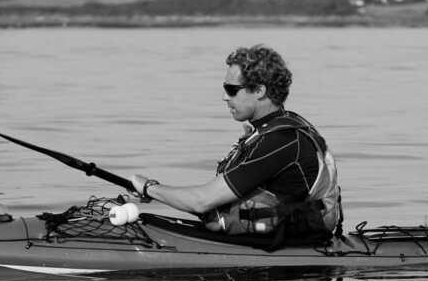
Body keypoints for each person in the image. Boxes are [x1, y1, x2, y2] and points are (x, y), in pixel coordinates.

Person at [130, 44, 341, 246]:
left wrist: (150, 188)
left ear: (259, 90)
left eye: (231, 89)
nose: (224, 97)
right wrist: (161, 195)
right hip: (268, 236)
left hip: (290, 244)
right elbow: (211, 203)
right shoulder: (271, 130)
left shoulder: (282, 141)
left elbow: (201, 202)